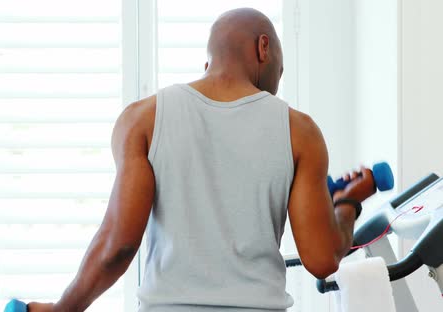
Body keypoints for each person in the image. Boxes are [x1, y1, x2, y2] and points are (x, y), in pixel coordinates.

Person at [28, 7, 376, 312]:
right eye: (280, 72)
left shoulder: (142, 119)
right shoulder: (300, 131)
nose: (276, 88)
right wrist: (346, 205)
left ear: (208, 63)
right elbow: (322, 259)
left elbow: (117, 246)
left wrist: (63, 309)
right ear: (263, 48)